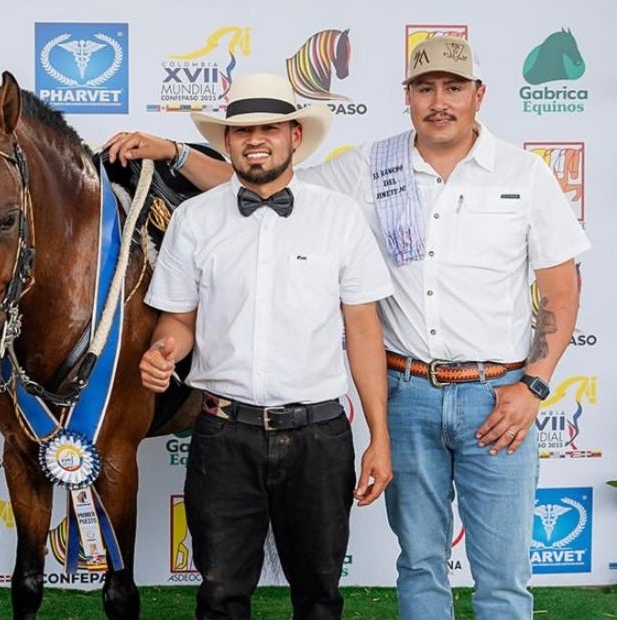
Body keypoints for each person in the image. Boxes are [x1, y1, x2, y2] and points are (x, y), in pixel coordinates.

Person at [113, 36, 590, 620]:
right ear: (407, 97)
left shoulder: (526, 173)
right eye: (424, 88)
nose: (439, 101)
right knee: (418, 564)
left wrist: (534, 384)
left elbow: (562, 291)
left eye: (453, 87)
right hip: (406, 393)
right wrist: (172, 153)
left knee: (505, 577)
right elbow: (262, 183)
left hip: (501, 396)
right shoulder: (368, 167)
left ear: (478, 95)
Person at [137, 73, 394, 620]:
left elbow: (365, 333)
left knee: (320, 595)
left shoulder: (340, 217)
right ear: (226, 143)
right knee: (221, 595)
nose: (256, 139)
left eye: (269, 128)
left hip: (319, 437)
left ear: (295, 135)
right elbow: (178, 321)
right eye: (241, 130)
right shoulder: (193, 219)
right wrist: (164, 350)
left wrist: (379, 436)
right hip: (222, 436)